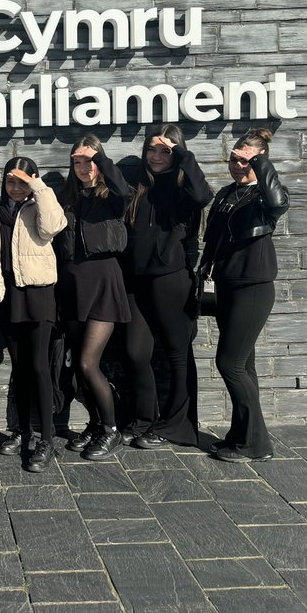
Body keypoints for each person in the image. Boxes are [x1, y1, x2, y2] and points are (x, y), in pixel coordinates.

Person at [199, 128, 289, 462]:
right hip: (226, 286)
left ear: (260, 161)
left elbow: (279, 203)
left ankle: (256, 444)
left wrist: (261, 163)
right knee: (245, 367)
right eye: (234, 158)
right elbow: (212, 240)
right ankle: (244, 436)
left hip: (253, 288)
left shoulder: (264, 197)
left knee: (229, 363)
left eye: (246, 160)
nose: (238, 165)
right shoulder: (225, 194)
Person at [0, 156, 66, 471]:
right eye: (11, 181)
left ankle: (46, 440)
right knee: (20, 369)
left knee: (39, 367)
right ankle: (22, 431)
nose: (15, 188)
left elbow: (55, 225)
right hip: (6, 297)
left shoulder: (40, 206)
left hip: (38, 295)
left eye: (22, 182)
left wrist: (37, 186)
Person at [123, 125, 213, 449]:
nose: (157, 156)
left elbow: (204, 195)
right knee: (135, 352)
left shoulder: (184, 189)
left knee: (178, 355)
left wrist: (182, 156)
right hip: (136, 282)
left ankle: (179, 428)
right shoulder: (137, 184)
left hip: (170, 279)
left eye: (165, 151)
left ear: (177, 153)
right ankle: (144, 419)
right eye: (152, 149)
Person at [54, 135, 131, 460]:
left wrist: (100, 158)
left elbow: (123, 191)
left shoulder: (112, 195)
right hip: (72, 287)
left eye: (89, 160)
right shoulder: (68, 198)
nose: (83, 167)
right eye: (77, 161)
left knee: (88, 363)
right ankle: (96, 422)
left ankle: (111, 429)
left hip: (103, 283)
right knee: (75, 365)